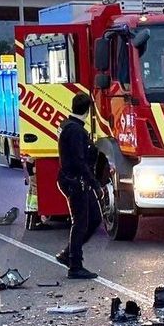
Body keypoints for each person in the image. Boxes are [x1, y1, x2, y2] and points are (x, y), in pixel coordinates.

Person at [54, 92, 101, 279]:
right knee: (80, 223)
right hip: (76, 181)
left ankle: (69, 254)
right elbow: (79, 161)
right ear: (88, 111)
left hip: (74, 179)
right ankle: (75, 266)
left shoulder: (68, 125)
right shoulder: (76, 130)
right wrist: (95, 184)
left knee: (95, 218)